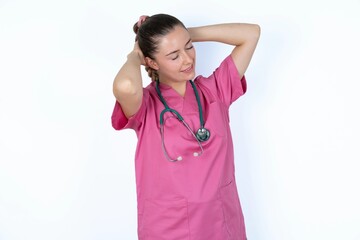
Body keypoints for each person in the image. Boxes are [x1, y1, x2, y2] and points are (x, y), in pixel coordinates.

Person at [111, 13, 260, 240]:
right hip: (169, 228)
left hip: (221, 224)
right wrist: (135, 54)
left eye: (189, 47)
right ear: (151, 62)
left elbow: (251, 33)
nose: (188, 59)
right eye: (174, 56)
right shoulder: (146, 106)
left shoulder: (215, 91)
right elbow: (125, 85)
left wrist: (184, 35)